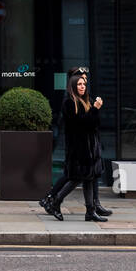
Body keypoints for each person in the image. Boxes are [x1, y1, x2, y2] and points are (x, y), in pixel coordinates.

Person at [40, 69, 111, 222]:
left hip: (89, 148)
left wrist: (94, 110)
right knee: (76, 178)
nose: (82, 86)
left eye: (84, 84)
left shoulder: (86, 101)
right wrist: (95, 109)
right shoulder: (69, 103)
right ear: (73, 85)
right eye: (79, 84)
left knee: (87, 179)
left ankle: (90, 211)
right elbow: (81, 124)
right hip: (78, 148)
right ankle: (56, 201)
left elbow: (94, 124)